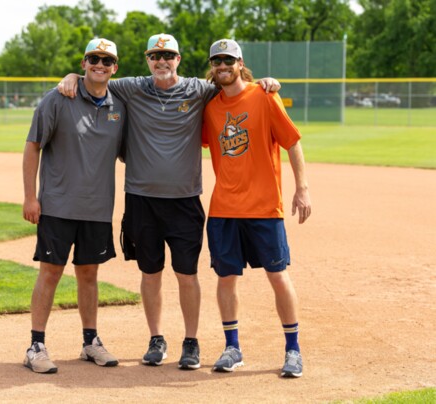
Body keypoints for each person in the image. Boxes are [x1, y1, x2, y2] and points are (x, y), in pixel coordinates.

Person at [58, 33, 281, 370]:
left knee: (186, 273)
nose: (161, 61)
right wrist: (73, 76)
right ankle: (156, 338)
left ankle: (191, 342)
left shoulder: (199, 90)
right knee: (150, 273)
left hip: (184, 199)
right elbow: (97, 80)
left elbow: (232, 81)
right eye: (155, 55)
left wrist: (263, 81)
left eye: (168, 55)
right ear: (148, 60)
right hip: (142, 199)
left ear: (179, 59)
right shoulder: (131, 87)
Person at [201, 39, 312, 377]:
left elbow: (292, 142)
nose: (223, 66)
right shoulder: (210, 107)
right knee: (226, 278)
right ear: (212, 66)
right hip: (224, 208)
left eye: (228, 60)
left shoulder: (264, 96)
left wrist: (302, 189)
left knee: (278, 275)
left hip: (265, 208)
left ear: (240, 62)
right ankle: (232, 347)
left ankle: (293, 351)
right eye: (217, 61)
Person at [22, 38, 126, 374]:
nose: (100, 65)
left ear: (115, 68)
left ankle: (90, 342)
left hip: (97, 208)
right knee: (50, 273)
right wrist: (30, 196)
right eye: (93, 59)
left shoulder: (119, 106)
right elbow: (33, 146)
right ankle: (36, 345)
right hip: (57, 205)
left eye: (106, 61)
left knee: (89, 275)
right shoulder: (58, 97)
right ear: (83, 64)